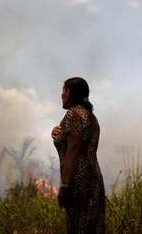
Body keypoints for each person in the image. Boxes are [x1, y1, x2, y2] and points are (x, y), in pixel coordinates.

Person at [51, 77, 106, 233]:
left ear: (69, 92)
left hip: (78, 180)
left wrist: (65, 185)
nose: (61, 95)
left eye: (63, 91)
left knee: (78, 227)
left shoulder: (73, 114)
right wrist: (57, 134)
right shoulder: (91, 117)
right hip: (94, 179)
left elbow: (73, 150)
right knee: (92, 227)